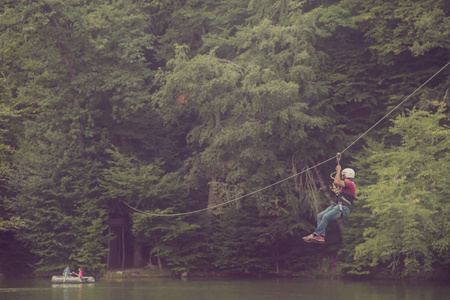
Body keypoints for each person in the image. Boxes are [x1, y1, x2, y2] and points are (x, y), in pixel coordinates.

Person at [303, 164, 356, 244]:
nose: (342, 176)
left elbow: (336, 181)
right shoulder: (346, 186)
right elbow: (343, 194)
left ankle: (316, 234)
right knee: (320, 216)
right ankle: (320, 236)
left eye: (342, 174)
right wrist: (335, 190)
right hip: (337, 205)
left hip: (342, 208)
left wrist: (338, 171)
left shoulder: (350, 183)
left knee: (325, 217)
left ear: (345, 175)